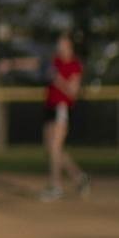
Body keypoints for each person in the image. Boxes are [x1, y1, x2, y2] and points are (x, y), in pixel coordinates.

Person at [41, 31, 90, 201]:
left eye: (62, 45)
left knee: (55, 147)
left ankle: (56, 186)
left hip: (61, 108)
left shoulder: (74, 65)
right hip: (49, 106)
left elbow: (73, 92)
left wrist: (58, 79)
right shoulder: (55, 61)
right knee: (52, 149)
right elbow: (37, 65)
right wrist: (10, 64)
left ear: (69, 46)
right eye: (58, 45)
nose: (59, 48)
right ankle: (78, 177)